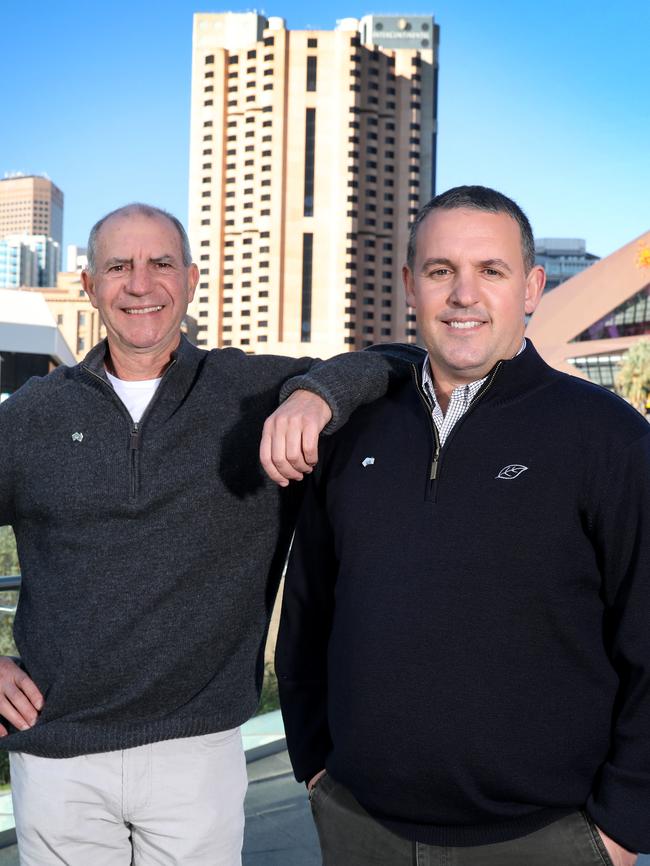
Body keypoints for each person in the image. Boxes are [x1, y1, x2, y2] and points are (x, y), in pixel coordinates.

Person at [0, 202, 414, 866]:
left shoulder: (253, 391)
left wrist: (316, 396)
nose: (140, 284)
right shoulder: (30, 416)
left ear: (191, 279)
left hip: (197, 754)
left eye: (161, 263)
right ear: (88, 285)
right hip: (57, 756)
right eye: (119, 266)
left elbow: (399, 361)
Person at [276, 186, 649, 866]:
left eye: (492, 271)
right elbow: (308, 611)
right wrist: (315, 764)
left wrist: (623, 828)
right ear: (410, 285)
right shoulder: (354, 430)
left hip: (548, 839)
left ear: (532, 288)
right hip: (361, 825)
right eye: (441, 271)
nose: (463, 295)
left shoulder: (608, 438)